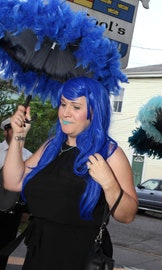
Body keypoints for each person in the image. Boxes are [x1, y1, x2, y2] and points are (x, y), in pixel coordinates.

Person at [2, 77, 138, 270]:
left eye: (76, 107)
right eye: (63, 104)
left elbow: (127, 216)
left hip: (77, 259)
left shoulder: (110, 153)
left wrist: (109, 184)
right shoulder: (51, 146)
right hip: (38, 255)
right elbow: (12, 182)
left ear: (94, 111)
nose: (65, 113)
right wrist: (19, 136)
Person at [0, 118, 32, 269]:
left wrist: (27, 210)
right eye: (13, 129)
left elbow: (29, 187)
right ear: (5, 131)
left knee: (4, 251)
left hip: (12, 214)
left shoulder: (29, 156)